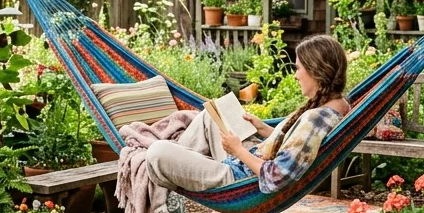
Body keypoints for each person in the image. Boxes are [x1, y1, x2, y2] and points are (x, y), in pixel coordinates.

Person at [145, 34, 350, 193]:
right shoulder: (336, 106)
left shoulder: (315, 119)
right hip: (247, 161)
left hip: (242, 180)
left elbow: (276, 177)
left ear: (316, 70)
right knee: (212, 115)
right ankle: (180, 170)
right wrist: (263, 129)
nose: (296, 75)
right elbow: (296, 146)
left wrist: (237, 150)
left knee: (157, 152)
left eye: (298, 68)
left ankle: (172, 177)